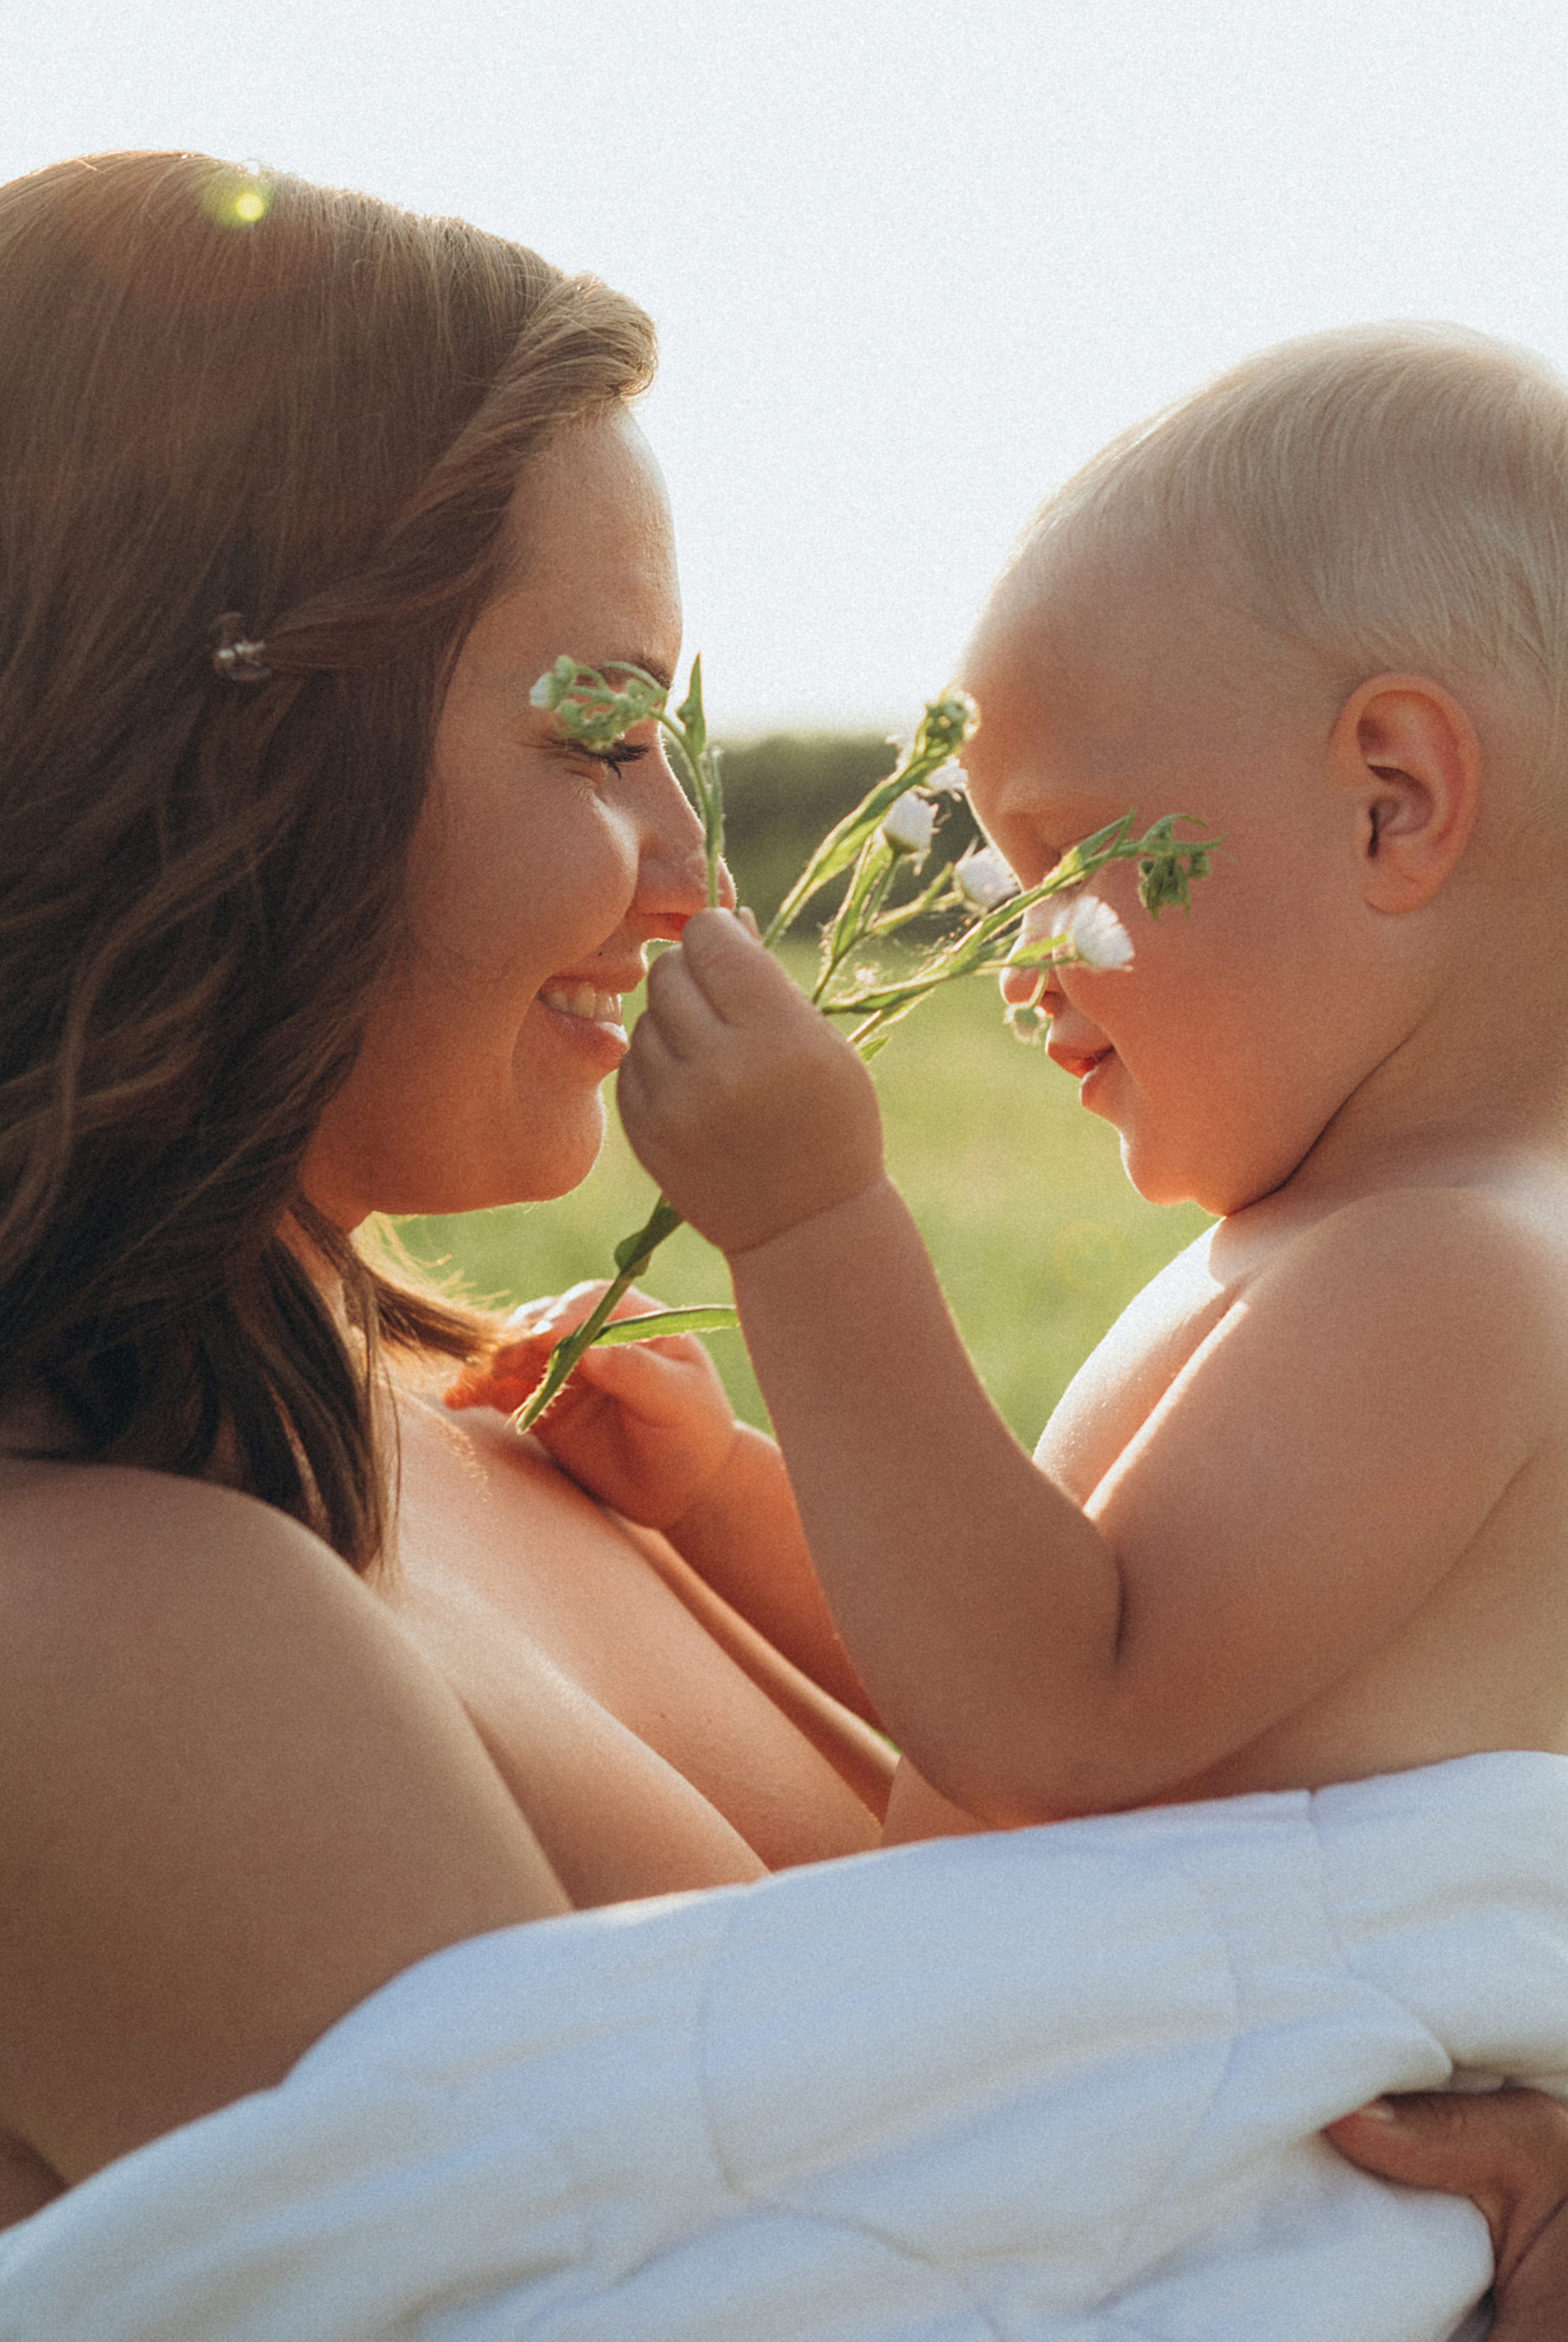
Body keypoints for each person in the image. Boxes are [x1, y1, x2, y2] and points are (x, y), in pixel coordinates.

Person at [0, 154, 1559, 2332]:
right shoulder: (91, 1614)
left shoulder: (466, 1410)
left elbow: (1067, 1810)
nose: (686, 870)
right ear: (235, 742)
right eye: (598, 724)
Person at [606, 321, 1568, 1848]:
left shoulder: (1447, 1272)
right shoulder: (1351, 1242)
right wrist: (719, 1493)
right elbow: (1000, 1641)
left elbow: (1051, 1722)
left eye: (1065, 863)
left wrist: (809, 1230)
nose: (1011, 955)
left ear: (1391, 802)